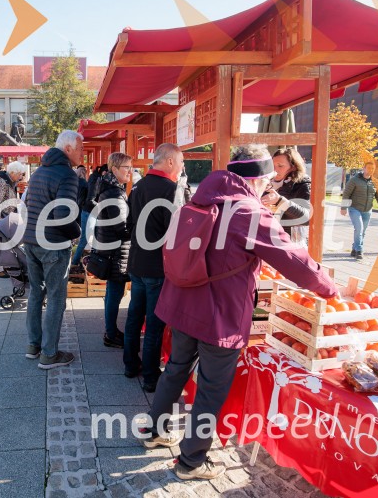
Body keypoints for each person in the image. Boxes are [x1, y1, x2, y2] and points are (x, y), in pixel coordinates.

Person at [143, 144, 338, 482]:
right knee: (211, 387)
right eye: (268, 182)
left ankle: (156, 430)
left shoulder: (199, 197)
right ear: (258, 179)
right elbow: (293, 259)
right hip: (218, 313)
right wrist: (329, 286)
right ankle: (190, 462)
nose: (269, 189)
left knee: (175, 368)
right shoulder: (248, 211)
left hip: (181, 301)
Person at [124, 143, 183, 392]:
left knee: (134, 317)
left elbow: (128, 225)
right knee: (154, 324)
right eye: (180, 162)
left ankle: (130, 364)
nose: (181, 168)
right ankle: (150, 375)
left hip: (137, 262)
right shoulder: (172, 190)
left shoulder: (136, 186)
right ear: (169, 162)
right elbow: (178, 232)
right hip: (157, 267)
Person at [24, 130, 83, 370]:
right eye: (80, 148)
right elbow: (63, 215)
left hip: (31, 240)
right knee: (56, 297)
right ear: (67, 149)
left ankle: (33, 346)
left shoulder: (39, 171)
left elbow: (28, 204)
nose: (82, 152)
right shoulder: (67, 175)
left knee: (36, 293)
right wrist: (77, 233)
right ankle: (49, 354)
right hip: (54, 244)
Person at [92, 153, 132, 348]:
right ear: (114, 169)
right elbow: (121, 228)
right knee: (114, 293)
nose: (130, 172)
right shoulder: (115, 193)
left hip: (110, 248)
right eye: (126, 168)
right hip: (116, 251)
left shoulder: (108, 188)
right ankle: (111, 333)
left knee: (112, 292)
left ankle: (111, 330)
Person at [262, 147, 312, 246]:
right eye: (273, 166)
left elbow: (306, 218)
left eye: (280, 166)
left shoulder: (302, 184)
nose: (275, 170)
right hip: (268, 239)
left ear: (293, 167)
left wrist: (280, 201)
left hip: (292, 241)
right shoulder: (265, 183)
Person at [341, 159, 378, 260]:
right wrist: (344, 208)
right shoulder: (354, 180)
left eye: (373, 169)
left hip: (367, 210)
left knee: (363, 231)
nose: (370, 170)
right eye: (369, 168)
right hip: (354, 208)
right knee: (359, 228)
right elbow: (346, 194)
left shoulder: (376, 182)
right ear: (364, 168)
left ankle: (354, 248)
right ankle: (359, 250)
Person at [0, 161, 26, 278]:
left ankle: (3, 265)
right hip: (0, 215)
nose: (21, 177)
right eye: (19, 174)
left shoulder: (10, 181)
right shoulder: (2, 182)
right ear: (13, 173)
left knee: (3, 242)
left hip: (6, 214)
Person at [74, 164, 108, 266]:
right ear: (104, 172)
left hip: (88, 212)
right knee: (86, 238)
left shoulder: (95, 178)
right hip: (89, 212)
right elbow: (90, 200)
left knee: (92, 238)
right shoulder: (96, 180)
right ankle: (76, 262)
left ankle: (90, 262)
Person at [71, 165, 89, 267]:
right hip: (82, 209)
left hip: (73, 208)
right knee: (83, 234)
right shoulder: (85, 184)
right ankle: (77, 255)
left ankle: (74, 247)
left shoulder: (74, 183)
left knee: (75, 230)